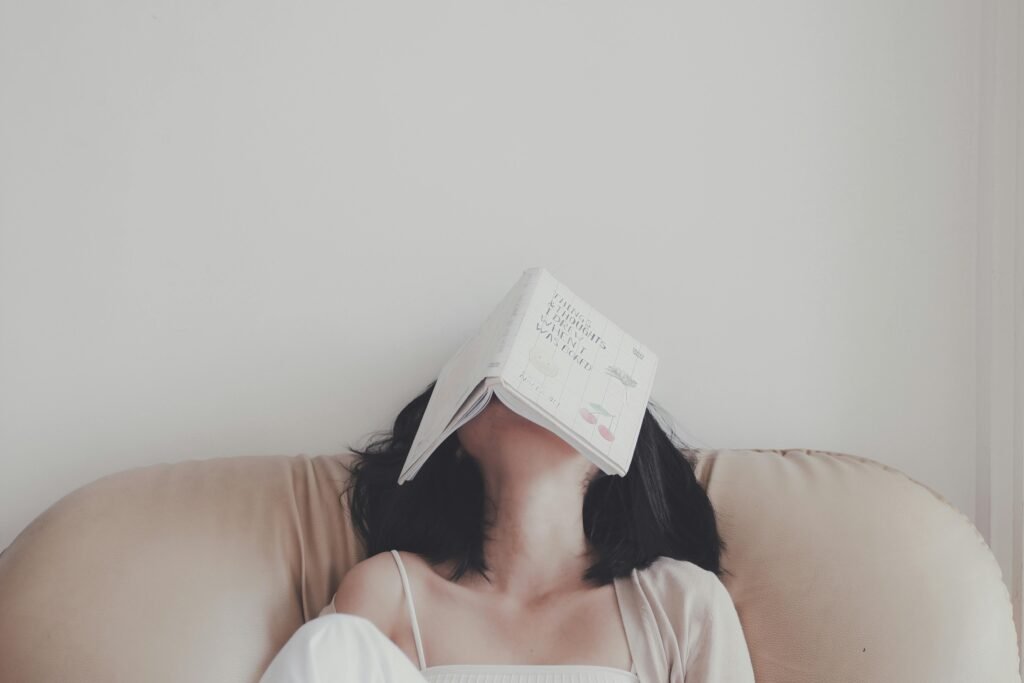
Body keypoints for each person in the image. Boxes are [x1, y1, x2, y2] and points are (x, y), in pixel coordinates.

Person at [259, 383, 756, 683]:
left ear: (611, 454)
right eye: (494, 380)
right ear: (452, 437)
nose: (525, 387)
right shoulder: (392, 589)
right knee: (329, 642)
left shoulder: (679, 599)